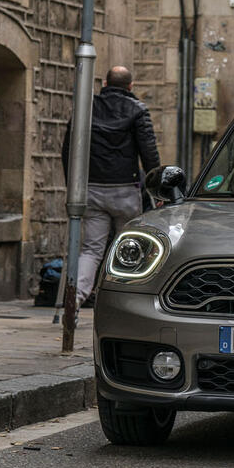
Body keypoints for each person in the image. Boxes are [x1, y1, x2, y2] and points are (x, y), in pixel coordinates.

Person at [61, 65, 160, 308]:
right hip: (125, 190)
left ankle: (76, 296)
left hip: (93, 188)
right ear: (131, 86)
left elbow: (68, 148)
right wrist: (158, 189)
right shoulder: (138, 110)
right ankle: (125, 302)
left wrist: (73, 185)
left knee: (92, 249)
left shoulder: (87, 107)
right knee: (130, 248)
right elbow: (149, 153)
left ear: (104, 84)